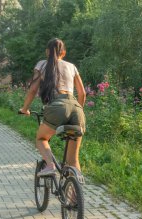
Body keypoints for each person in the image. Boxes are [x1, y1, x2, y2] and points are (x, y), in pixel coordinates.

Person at [19, 38, 86, 177]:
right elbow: (82, 94)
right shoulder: (72, 66)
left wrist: (25, 109)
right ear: (64, 52)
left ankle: (50, 165)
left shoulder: (42, 64)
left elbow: (32, 90)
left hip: (57, 107)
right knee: (73, 160)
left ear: (47, 52)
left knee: (41, 139)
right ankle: (76, 196)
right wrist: (78, 111)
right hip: (76, 108)